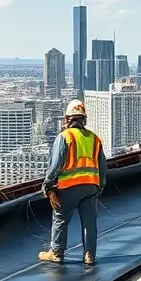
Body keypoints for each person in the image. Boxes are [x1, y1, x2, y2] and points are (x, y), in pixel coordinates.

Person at [37, 99, 107, 266]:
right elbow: (102, 166)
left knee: (60, 218)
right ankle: (89, 255)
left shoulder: (64, 137)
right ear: (84, 119)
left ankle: (57, 253)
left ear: (67, 119)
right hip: (91, 187)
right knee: (90, 222)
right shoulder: (94, 139)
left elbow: (55, 165)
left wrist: (48, 185)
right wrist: (101, 185)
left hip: (68, 187)